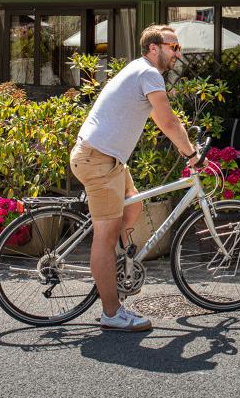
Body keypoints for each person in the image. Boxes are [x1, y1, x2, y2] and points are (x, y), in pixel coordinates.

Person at [70, 24, 198, 332]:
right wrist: (191, 154)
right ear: (154, 48)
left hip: (108, 160)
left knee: (134, 204)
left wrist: (184, 143)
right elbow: (167, 121)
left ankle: (121, 265)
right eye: (173, 47)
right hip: (99, 160)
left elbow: (163, 118)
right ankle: (112, 312)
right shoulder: (148, 73)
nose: (177, 53)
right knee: (105, 237)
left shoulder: (141, 70)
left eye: (178, 48)